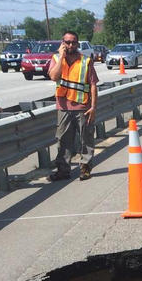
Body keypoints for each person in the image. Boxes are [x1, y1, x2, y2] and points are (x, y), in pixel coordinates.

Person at [47, 30, 98, 181]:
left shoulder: (85, 60)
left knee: (86, 139)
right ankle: (63, 170)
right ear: (62, 43)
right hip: (64, 107)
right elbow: (53, 76)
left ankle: (85, 168)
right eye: (67, 42)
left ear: (77, 43)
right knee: (63, 140)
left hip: (83, 107)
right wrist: (62, 56)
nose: (70, 45)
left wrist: (93, 107)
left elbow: (93, 85)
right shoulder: (56, 58)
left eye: (73, 42)